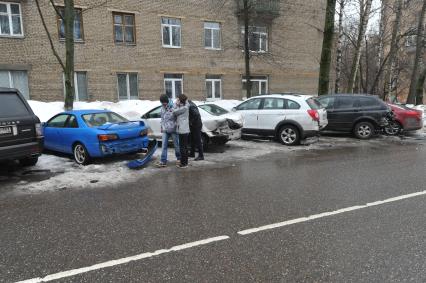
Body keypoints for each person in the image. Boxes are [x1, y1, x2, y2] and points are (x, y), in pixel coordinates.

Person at [156, 94, 180, 167]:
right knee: (164, 146)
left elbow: (177, 117)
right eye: (162, 102)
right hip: (165, 129)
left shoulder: (174, 107)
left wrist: (175, 126)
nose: (163, 104)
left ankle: (179, 158)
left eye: (164, 102)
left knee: (176, 145)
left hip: (173, 129)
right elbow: (162, 118)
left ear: (167, 101)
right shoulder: (162, 108)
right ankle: (163, 160)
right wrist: (162, 127)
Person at [173, 94, 190, 168]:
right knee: (185, 147)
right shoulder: (186, 106)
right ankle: (185, 162)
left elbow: (174, 112)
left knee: (182, 147)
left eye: (178, 99)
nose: (177, 100)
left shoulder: (183, 108)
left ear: (180, 101)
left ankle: (183, 163)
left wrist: (176, 104)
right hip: (185, 129)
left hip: (182, 130)